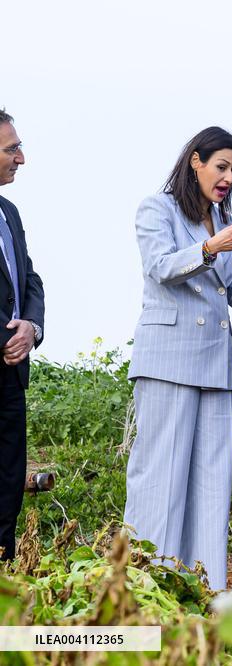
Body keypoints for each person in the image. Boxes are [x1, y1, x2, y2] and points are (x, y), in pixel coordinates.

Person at [125, 127, 232, 590]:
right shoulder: (156, 209)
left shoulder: (223, 219)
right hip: (168, 360)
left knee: (211, 483)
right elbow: (161, 266)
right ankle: (147, 587)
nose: (229, 177)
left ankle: (203, 589)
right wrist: (212, 247)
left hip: (216, 363)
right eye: (221, 166)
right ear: (195, 161)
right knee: (161, 477)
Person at [0, 109, 45, 562]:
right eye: (11, 149)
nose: (21, 158)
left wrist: (31, 326)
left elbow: (29, 280)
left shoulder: (8, 212)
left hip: (12, 375)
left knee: (8, 481)